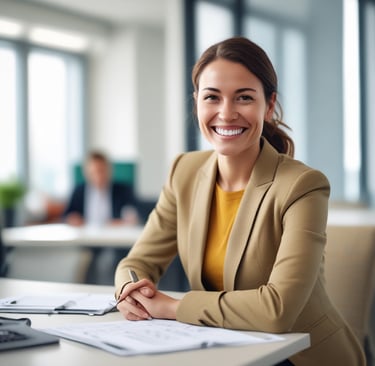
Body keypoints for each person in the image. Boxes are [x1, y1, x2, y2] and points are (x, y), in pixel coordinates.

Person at [114, 37, 365, 365]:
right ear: (196, 102)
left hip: (299, 356)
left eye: (244, 97)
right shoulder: (184, 172)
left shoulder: (302, 186)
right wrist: (131, 292)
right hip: (223, 349)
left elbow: (277, 310)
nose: (226, 113)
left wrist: (173, 308)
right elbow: (137, 263)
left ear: (269, 104)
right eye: (212, 97)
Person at [63, 151, 139, 227]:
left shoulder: (123, 190)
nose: (98, 176)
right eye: (93, 172)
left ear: (109, 170)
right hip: (85, 235)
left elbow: (134, 214)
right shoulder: (78, 191)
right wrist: (72, 219)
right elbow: (66, 216)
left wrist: (126, 220)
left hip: (114, 235)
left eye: (101, 171)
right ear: (86, 173)